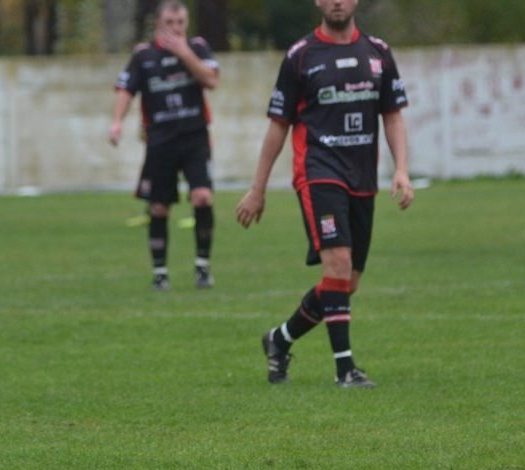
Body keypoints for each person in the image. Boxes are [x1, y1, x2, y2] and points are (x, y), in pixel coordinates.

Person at [235, 0, 413, 388]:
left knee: (347, 283)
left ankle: (279, 339)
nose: (337, 1)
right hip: (318, 173)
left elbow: (393, 116)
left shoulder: (379, 53)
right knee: (337, 264)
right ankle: (345, 369)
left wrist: (401, 170)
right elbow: (278, 125)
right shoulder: (300, 57)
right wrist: (257, 189)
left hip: (363, 177)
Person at [109, 0, 220, 291]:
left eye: (180, 23)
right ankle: (160, 272)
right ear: (159, 23)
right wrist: (117, 122)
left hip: (195, 137)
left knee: (203, 197)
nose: (175, 28)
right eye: (170, 23)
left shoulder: (197, 48)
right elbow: (125, 89)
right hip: (160, 142)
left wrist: (185, 54)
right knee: (158, 207)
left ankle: (202, 267)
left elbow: (211, 80)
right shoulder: (144, 56)